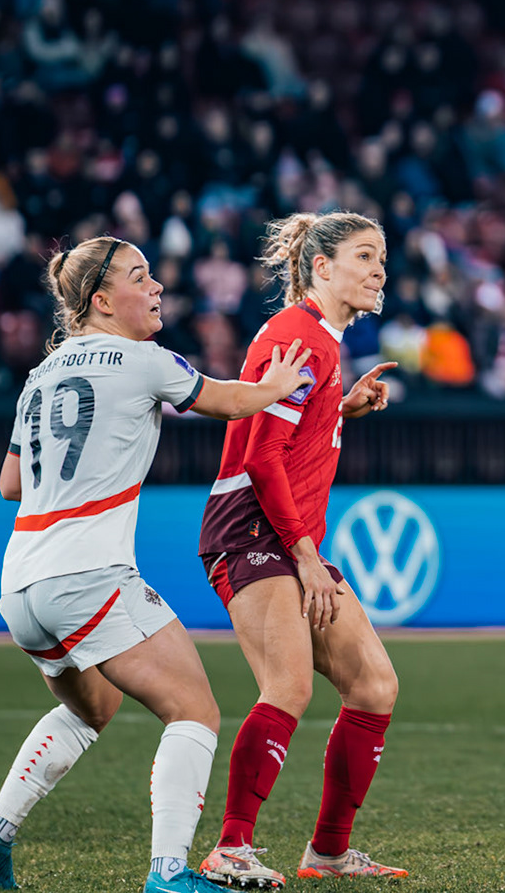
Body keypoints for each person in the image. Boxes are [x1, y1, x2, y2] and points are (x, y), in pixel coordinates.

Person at [0, 237, 312, 893]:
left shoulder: (41, 377)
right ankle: (169, 874)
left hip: (21, 585)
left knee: (92, 708)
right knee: (195, 710)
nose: (155, 288)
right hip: (88, 573)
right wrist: (280, 385)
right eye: (138, 277)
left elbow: (11, 482)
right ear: (101, 301)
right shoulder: (142, 359)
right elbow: (229, 402)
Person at [197, 212, 406, 888]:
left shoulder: (319, 343)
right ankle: (229, 848)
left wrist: (340, 410)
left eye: (382, 257)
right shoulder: (300, 339)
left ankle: (328, 852)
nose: (380, 269)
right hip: (254, 530)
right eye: (365, 256)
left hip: (281, 534)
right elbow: (261, 459)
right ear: (321, 266)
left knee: (374, 687)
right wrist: (308, 556)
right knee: (286, 686)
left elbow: (286, 430)